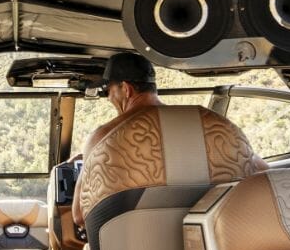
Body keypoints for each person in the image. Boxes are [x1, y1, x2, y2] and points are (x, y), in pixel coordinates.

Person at [71, 51, 265, 227]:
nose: (108, 98)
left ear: (126, 89)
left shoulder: (104, 139)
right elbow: (263, 174)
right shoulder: (210, 126)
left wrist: (89, 161)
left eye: (108, 91)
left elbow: (80, 215)